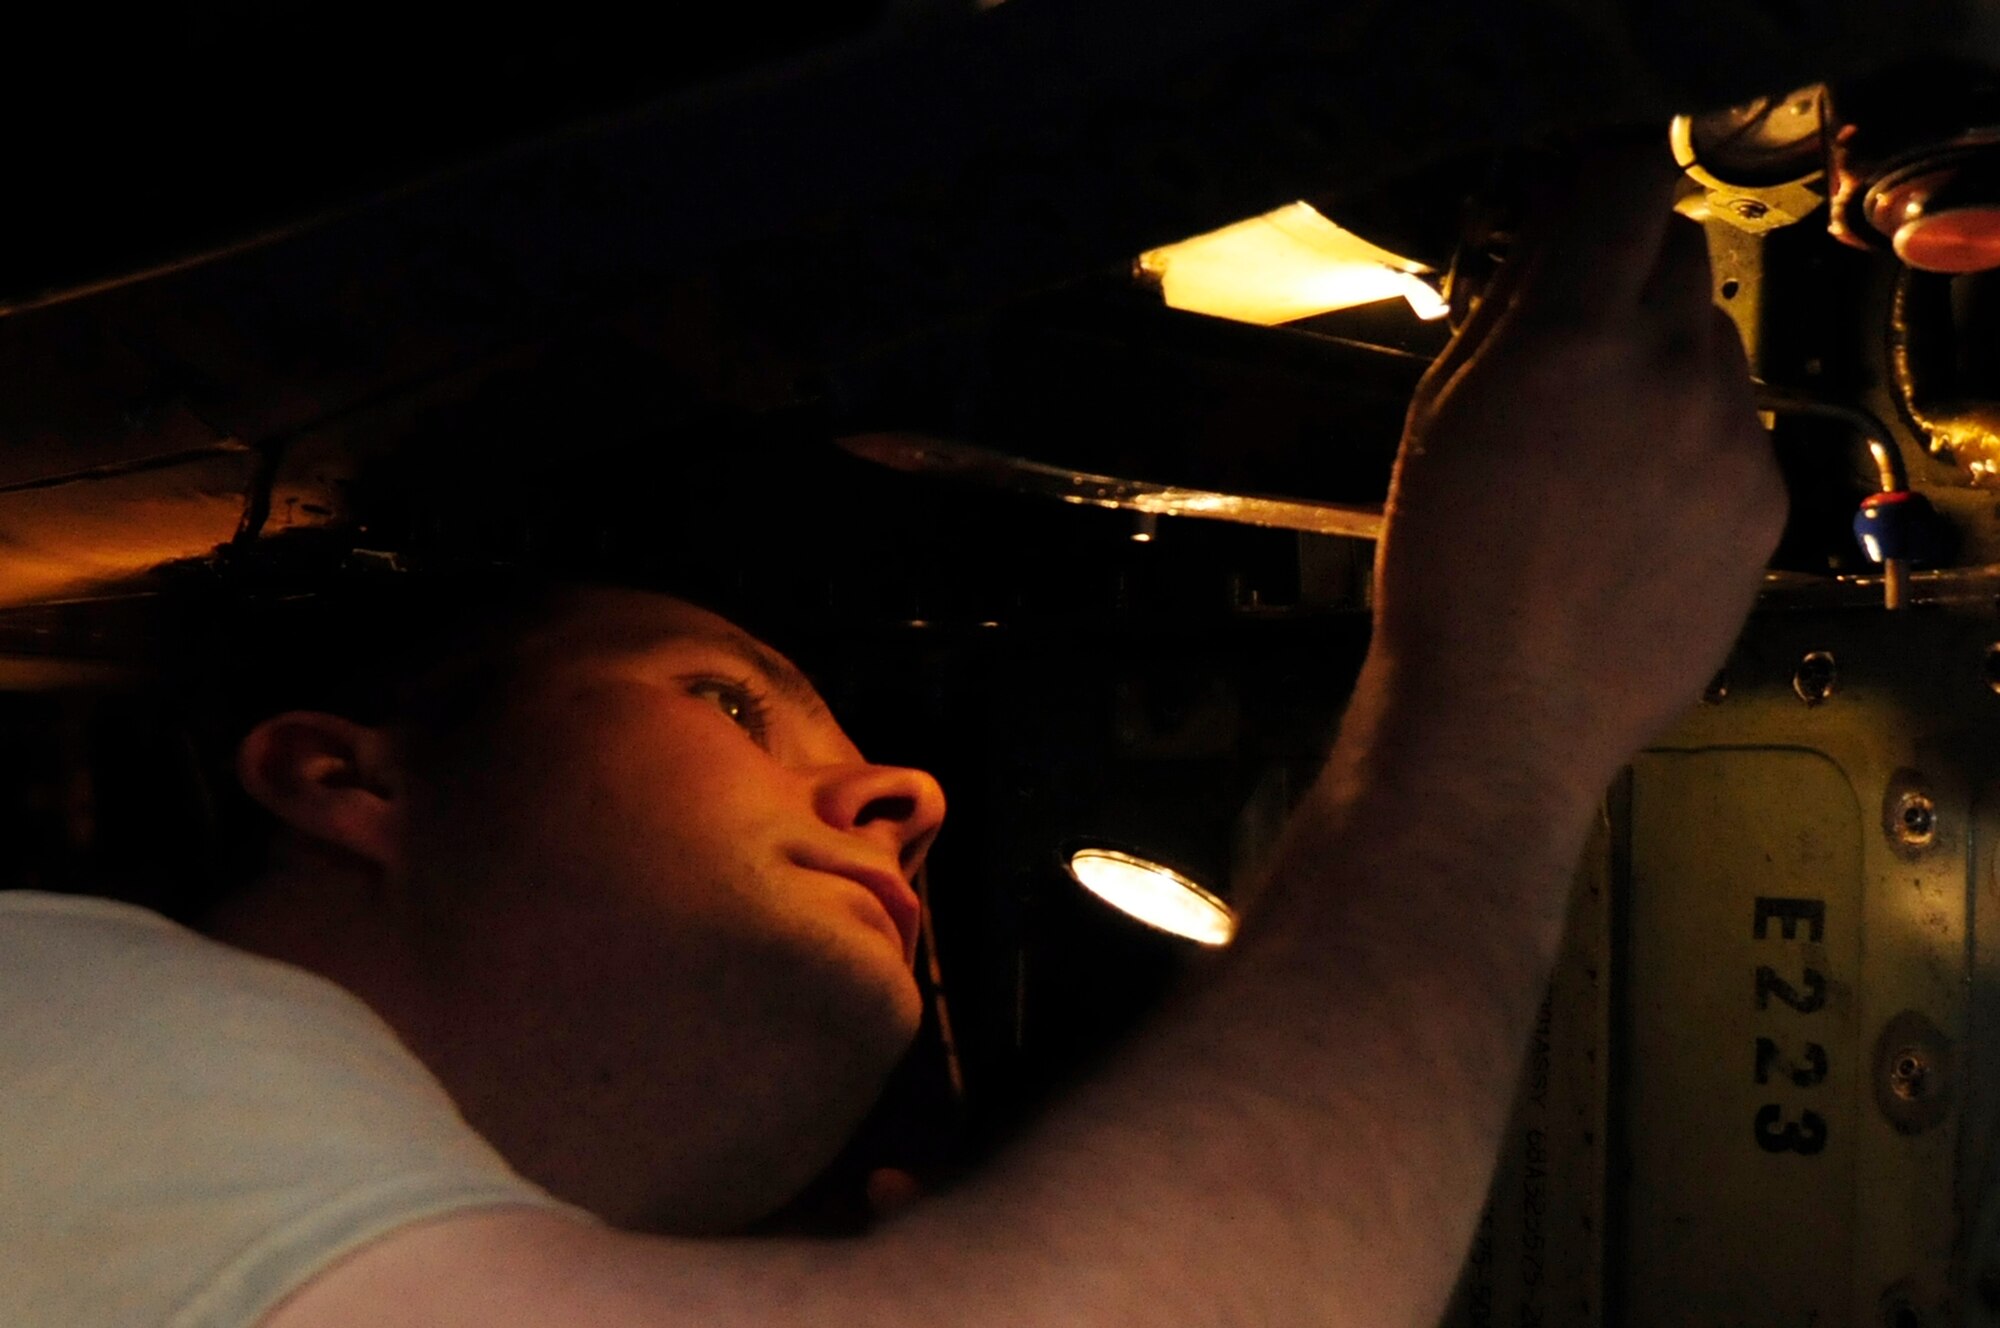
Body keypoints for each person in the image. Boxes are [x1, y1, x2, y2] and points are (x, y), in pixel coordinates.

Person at [0, 142, 1783, 1327]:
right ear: (347, 778)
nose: (907, 797)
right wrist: (1504, 698)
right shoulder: (55, 1019)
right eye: (724, 703)